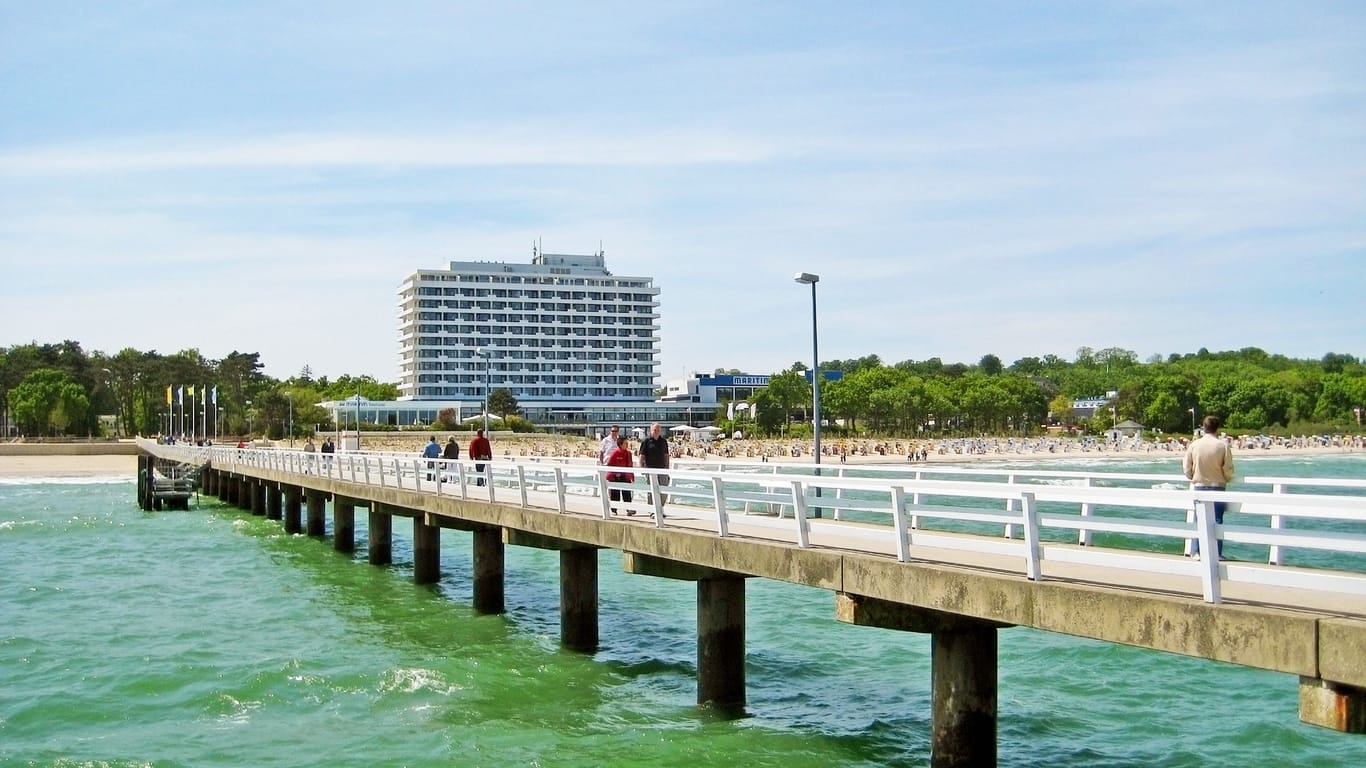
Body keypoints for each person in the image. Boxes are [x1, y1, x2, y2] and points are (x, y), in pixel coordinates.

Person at [1183, 414, 1235, 558]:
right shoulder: (1222, 445)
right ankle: (1216, 553)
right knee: (1217, 520)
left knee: (1199, 519)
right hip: (1218, 486)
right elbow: (1228, 468)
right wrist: (1227, 478)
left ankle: (1197, 552)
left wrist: (1192, 477)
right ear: (1217, 428)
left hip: (1199, 485)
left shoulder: (1194, 445)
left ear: (1203, 427)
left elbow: (1187, 468)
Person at [638, 421, 670, 510]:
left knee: (664, 489)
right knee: (651, 491)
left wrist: (667, 468)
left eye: (658, 430)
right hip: (650, 469)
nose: (657, 431)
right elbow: (641, 456)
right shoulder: (646, 441)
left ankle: (661, 509)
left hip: (662, 469)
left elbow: (666, 455)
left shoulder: (663, 441)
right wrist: (642, 469)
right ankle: (652, 510)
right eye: (655, 430)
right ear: (651, 430)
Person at [605, 434, 636, 515]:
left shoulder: (628, 453)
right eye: (625, 443)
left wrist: (632, 476)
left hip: (625, 476)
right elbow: (609, 465)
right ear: (620, 444)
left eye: (627, 443)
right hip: (615, 477)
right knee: (615, 493)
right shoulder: (615, 453)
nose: (627, 444)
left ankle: (629, 509)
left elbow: (630, 465)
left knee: (627, 493)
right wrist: (616, 473)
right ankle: (614, 510)